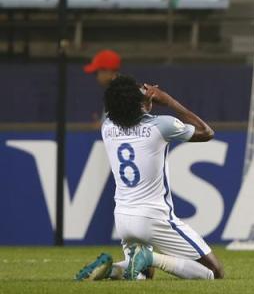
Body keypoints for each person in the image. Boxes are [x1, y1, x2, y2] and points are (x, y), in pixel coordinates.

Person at [74, 75, 224, 281]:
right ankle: (150, 258)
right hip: (154, 217)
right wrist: (168, 100)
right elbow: (206, 132)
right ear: (140, 102)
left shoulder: (107, 127)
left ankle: (113, 269)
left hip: (124, 218)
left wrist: (143, 98)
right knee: (214, 274)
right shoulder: (161, 126)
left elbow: (122, 108)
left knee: (141, 276)